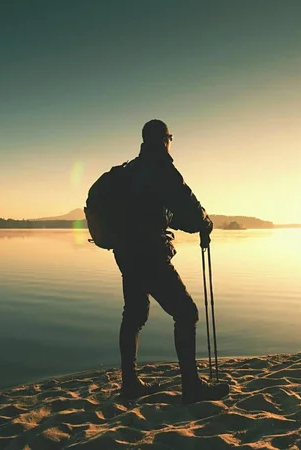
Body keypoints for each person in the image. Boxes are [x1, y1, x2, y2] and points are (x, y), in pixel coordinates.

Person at [114, 119, 229, 404]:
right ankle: (191, 387)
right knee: (186, 312)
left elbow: (167, 213)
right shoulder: (161, 168)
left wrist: (193, 224)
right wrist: (205, 223)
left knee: (134, 314)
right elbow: (187, 206)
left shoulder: (131, 170)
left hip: (126, 254)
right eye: (170, 138)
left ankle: (130, 384)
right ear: (165, 139)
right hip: (149, 254)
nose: (170, 142)